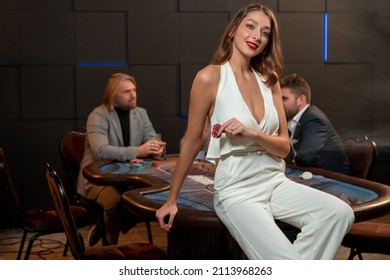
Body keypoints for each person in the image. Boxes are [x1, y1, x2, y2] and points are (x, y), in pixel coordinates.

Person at [156, 3, 354, 259]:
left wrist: (253, 134)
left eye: (265, 32)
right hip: (237, 189)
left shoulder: (270, 80)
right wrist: (172, 199)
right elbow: (192, 142)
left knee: (339, 214)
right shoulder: (209, 78)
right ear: (232, 31)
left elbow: (283, 147)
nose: (256, 36)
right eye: (250, 26)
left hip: (275, 181)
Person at [77, 73, 166, 245]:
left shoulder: (141, 113)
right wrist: (139, 150)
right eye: (126, 92)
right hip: (97, 179)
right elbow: (101, 151)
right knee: (115, 203)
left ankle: (105, 226)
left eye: (134, 90)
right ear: (113, 96)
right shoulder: (98, 115)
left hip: (128, 176)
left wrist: (156, 150)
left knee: (151, 198)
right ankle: (110, 248)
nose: (133, 95)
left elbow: (151, 138)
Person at [280, 73, 350, 175]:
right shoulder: (297, 119)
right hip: (315, 175)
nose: (279, 103)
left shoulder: (313, 119)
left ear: (301, 100)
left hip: (336, 181)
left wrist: (280, 151)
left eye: (284, 99)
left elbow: (305, 158)